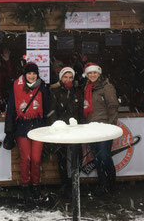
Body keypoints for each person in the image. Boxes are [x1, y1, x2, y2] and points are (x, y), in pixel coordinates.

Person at [4, 63, 48, 202]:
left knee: (36, 159)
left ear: (37, 74)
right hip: (22, 127)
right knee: (26, 158)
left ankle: (35, 185)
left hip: (38, 126)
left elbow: (47, 107)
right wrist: (9, 129)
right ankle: (25, 186)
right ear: (25, 74)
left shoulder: (42, 87)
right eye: (29, 73)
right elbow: (11, 108)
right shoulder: (16, 86)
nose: (32, 76)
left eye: (34, 73)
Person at [82, 62, 119, 195]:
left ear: (99, 73)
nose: (92, 75)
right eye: (90, 73)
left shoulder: (106, 87)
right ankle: (102, 184)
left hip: (104, 128)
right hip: (91, 127)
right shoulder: (87, 88)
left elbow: (113, 106)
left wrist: (111, 126)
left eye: (95, 72)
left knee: (104, 156)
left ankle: (112, 184)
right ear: (87, 75)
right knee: (97, 158)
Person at [48, 67, 84, 197]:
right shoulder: (55, 92)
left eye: (70, 77)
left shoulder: (78, 92)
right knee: (62, 159)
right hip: (61, 131)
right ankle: (65, 184)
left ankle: (75, 183)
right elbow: (51, 112)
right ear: (61, 78)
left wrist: (81, 126)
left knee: (76, 156)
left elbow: (81, 113)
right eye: (65, 77)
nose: (68, 79)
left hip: (75, 131)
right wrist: (57, 126)